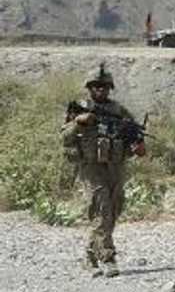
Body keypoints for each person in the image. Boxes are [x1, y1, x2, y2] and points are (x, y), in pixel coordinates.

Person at [61, 64, 147, 277]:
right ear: (89, 88)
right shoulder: (80, 108)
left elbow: (134, 135)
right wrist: (78, 123)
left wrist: (138, 145)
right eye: (96, 86)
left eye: (104, 86)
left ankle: (90, 254)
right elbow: (64, 136)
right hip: (91, 167)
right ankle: (108, 258)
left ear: (110, 88)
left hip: (115, 167)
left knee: (114, 210)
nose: (100, 90)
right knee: (102, 209)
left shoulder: (119, 110)